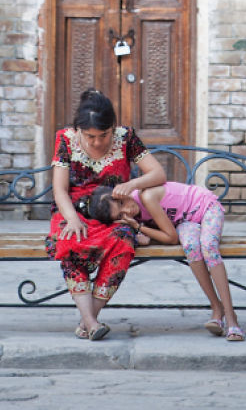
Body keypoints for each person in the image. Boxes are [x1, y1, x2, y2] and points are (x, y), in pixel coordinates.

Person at [45, 88, 165, 340]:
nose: (97, 142)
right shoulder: (65, 139)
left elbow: (158, 174)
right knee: (70, 240)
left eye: (104, 135)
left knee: (123, 241)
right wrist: (73, 219)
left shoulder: (127, 137)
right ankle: (90, 321)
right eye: (90, 136)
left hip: (113, 212)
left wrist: (132, 185)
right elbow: (60, 190)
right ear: (78, 130)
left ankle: (89, 320)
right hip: (73, 211)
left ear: (113, 127)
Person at [88, 179, 245, 341]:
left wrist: (139, 228)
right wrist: (139, 231)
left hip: (205, 207)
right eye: (120, 215)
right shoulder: (133, 217)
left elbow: (170, 238)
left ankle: (232, 318)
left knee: (208, 246)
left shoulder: (146, 197)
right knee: (191, 247)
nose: (127, 211)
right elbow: (167, 236)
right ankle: (216, 308)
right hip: (184, 222)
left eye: (122, 203)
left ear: (121, 193)